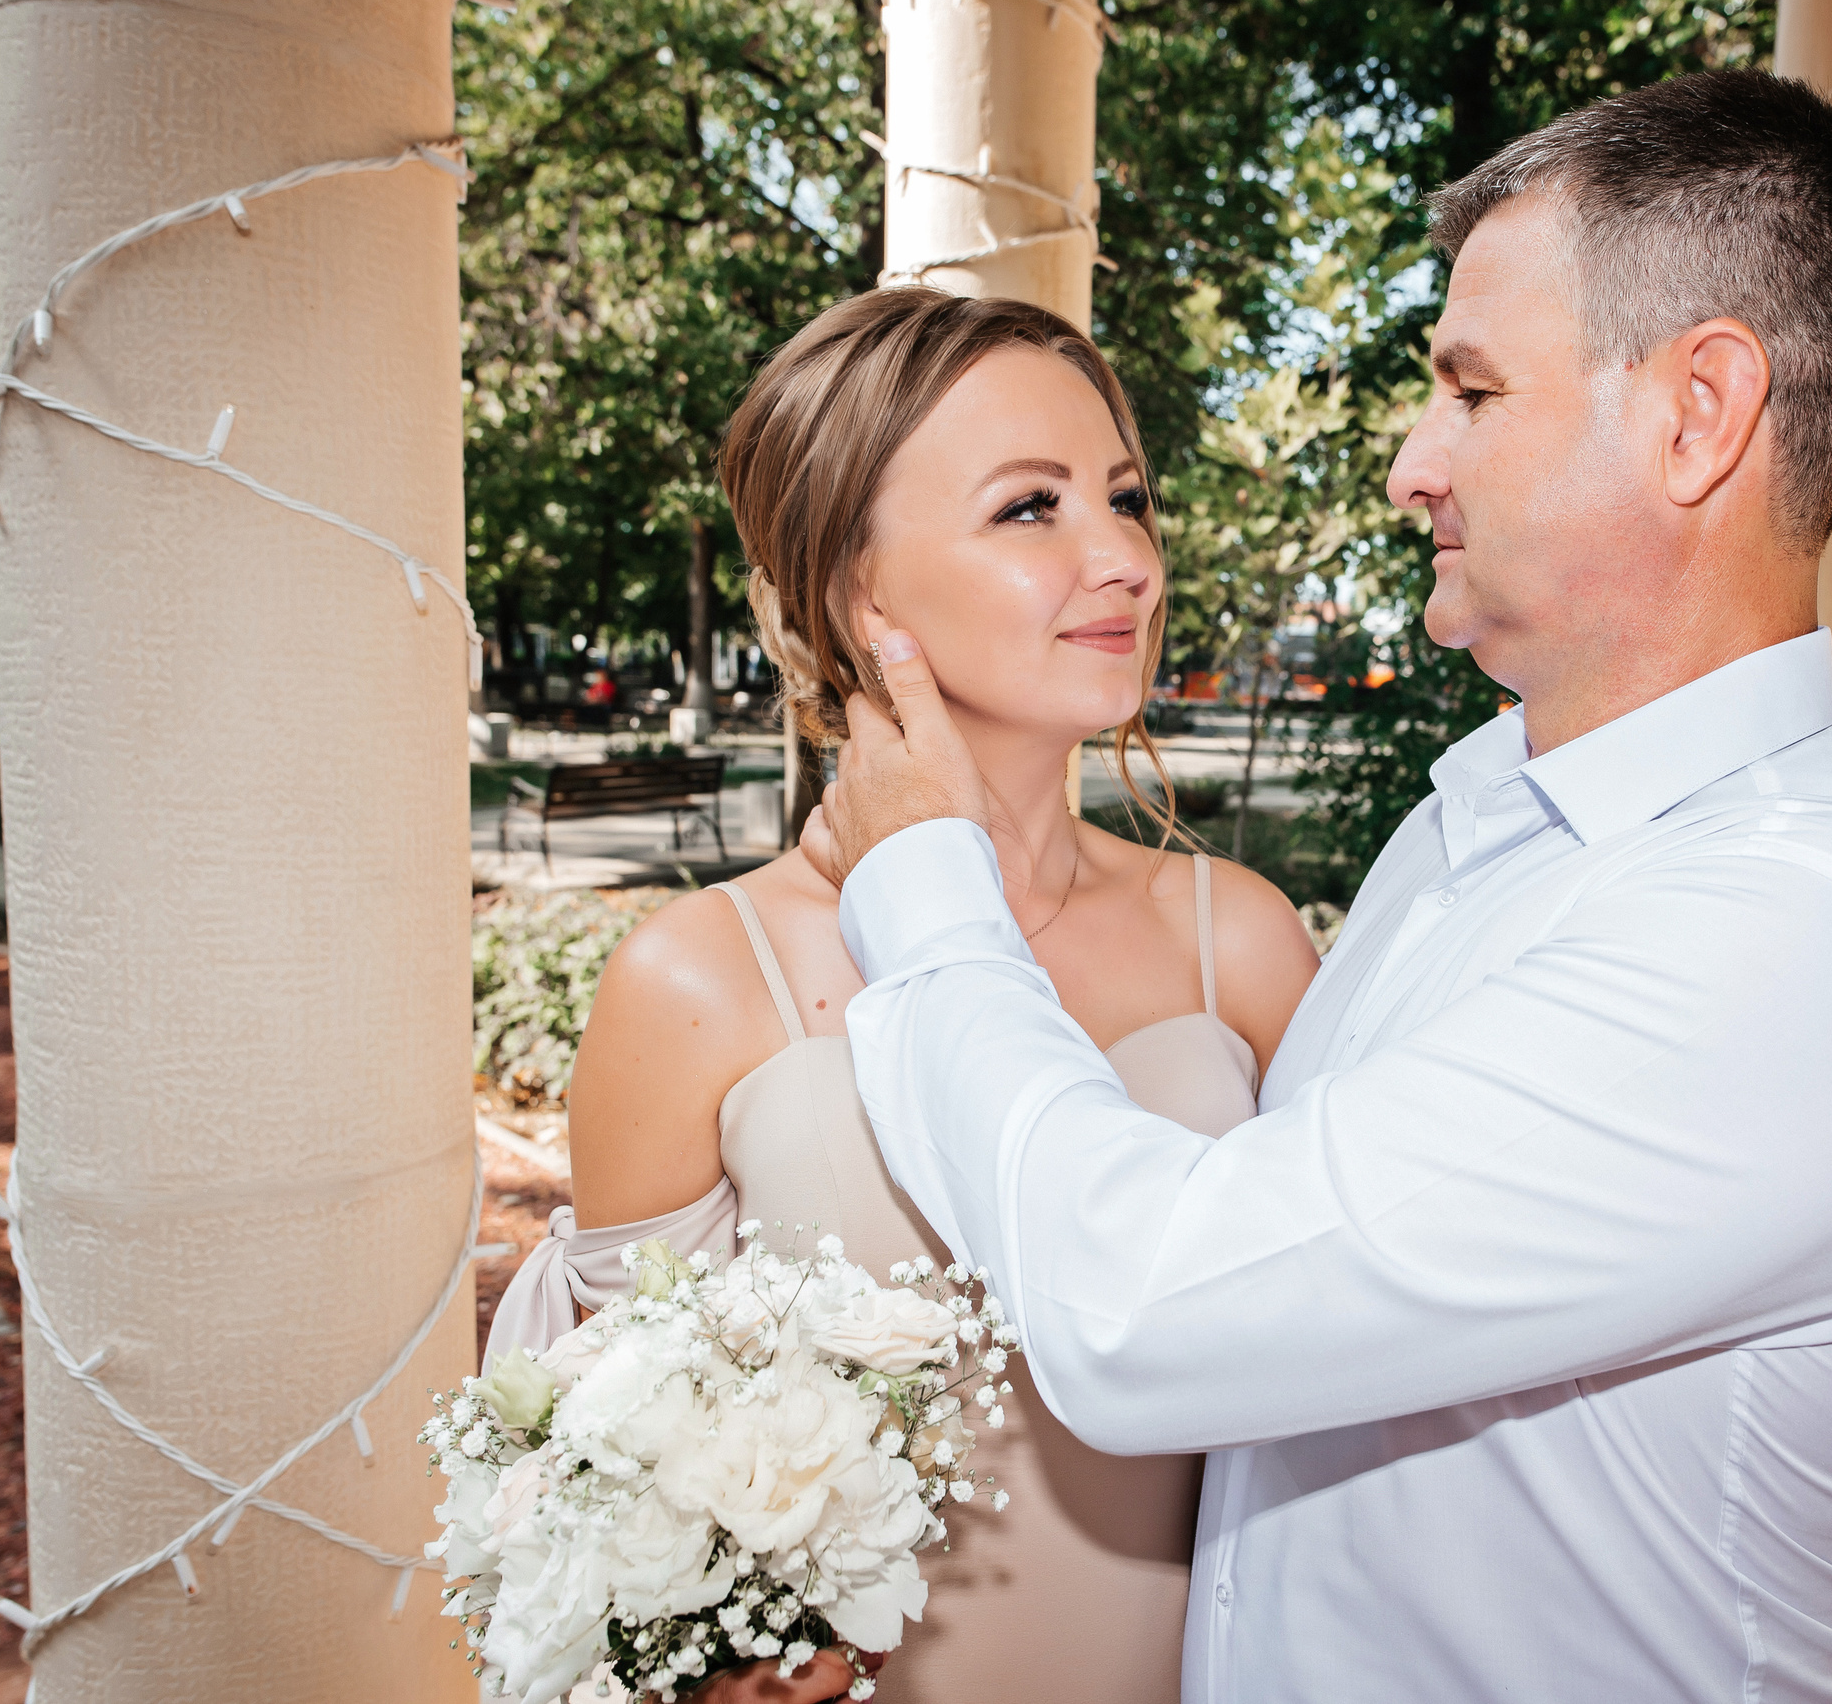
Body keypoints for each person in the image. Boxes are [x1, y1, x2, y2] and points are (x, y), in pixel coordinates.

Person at [812, 72, 1832, 1703]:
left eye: (1472, 391)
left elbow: (1150, 1302)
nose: (1410, 464)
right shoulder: (1469, 827)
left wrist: (921, 879)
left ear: (1700, 413)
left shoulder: (1820, 931)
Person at [483, 288, 1322, 1703]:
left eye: (1125, 497)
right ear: (857, 593)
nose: (1122, 557)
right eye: (1030, 510)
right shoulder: (695, 978)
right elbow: (617, 1487)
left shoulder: (1234, 941)